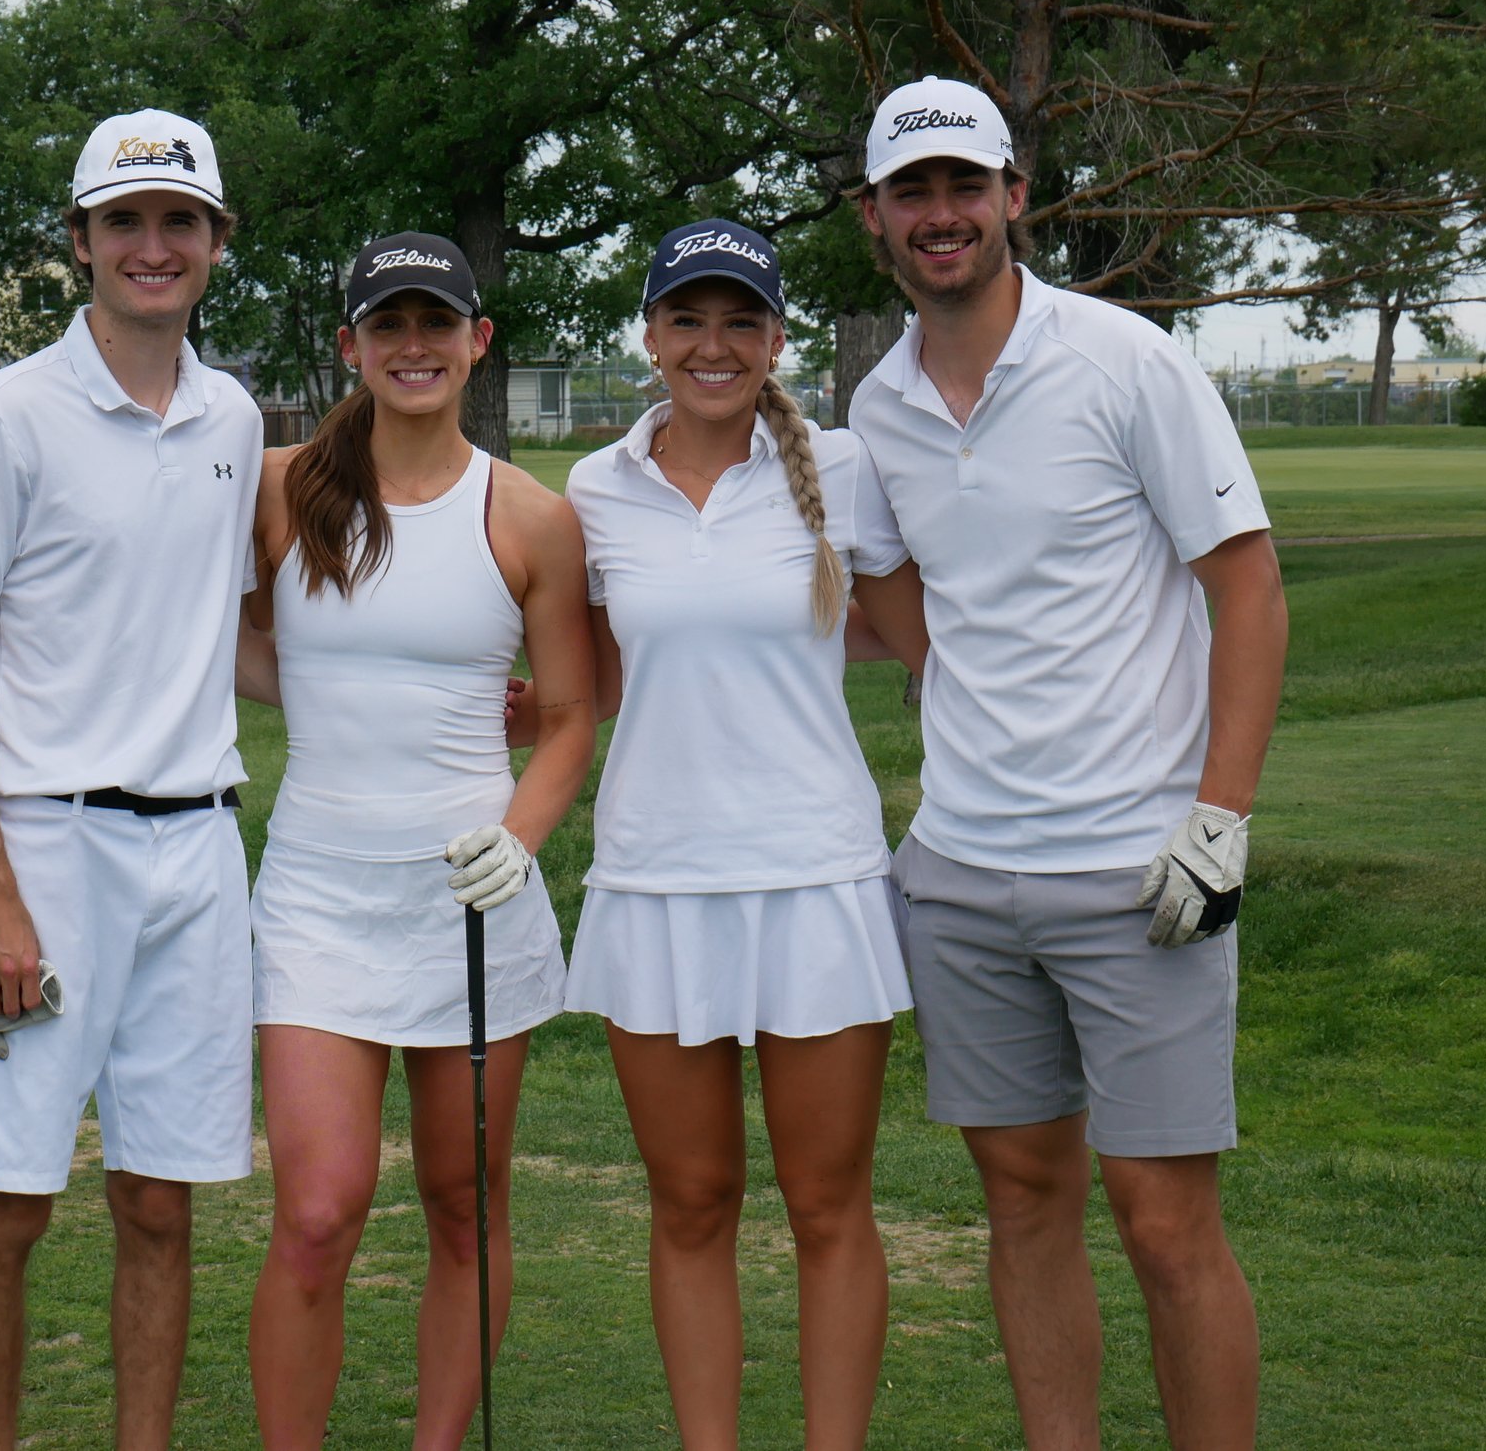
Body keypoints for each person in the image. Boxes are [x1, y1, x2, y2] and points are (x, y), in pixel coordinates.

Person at [845, 77, 1290, 1451]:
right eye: (912, 193)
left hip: (1136, 871)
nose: (941, 216)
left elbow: (1250, 585)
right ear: (874, 217)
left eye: (963, 187)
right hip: (966, 877)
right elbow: (907, 603)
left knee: (1165, 1223)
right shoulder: (882, 404)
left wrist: (1219, 815)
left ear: (1014, 198)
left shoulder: (1126, 360)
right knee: (1024, 1205)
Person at [0, 109, 270, 1451]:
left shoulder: (233, 414)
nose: (152, 246)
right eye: (124, 222)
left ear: (217, 243)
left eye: (180, 221)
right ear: (79, 243)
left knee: (163, 1200)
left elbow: (218, 640)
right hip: (48, 857)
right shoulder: (8, 416)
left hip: (198, 852)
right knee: (11, 1201)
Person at [552, 219, 926, 1451]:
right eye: (688, 320)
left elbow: (912, 635)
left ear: (775, 339)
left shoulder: (846, 465)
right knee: (692, 1202)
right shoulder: (596, 488)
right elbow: (595, 682)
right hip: (657, 882)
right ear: (651, 336)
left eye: (741, 321)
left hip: (815, 878)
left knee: (827, 1206)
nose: (713, 346)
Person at [244, 232, 597, 1451]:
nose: (411, 345)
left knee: (463, 1205)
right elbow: (226, 642)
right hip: (316, 897)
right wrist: (331, 701)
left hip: (470, 898)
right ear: (348, 346)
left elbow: (567, 716)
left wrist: (521, 834)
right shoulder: (281, 488)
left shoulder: (531, 517)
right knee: (320, 1211)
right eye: (385, 325)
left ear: (476, 341)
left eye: (434, 323)